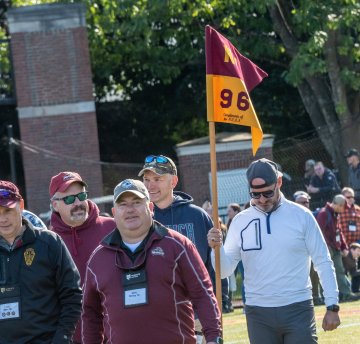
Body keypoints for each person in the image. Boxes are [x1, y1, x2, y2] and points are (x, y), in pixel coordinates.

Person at [208, 158, 340, 344]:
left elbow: (323, 261)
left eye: (268, 193)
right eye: (255, 194)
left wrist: (332, 305)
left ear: (279, 182)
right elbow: (225, 271)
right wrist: (217, 248)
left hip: (298, 308)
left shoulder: (302, 216)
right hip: (257, 313)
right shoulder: (240, 221)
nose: (262, 199)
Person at [81, 179, 222, 344]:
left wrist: (214, 338)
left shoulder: (177, 245)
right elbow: (90, 313)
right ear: (114, 212)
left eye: (136, 202)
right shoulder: (99, 258)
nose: (130, 209)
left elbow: (202, 294)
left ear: (150, 207)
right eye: (123, 204)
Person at [0, 180, 82, 343]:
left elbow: (72, 295)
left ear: (21, 205)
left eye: (8, 210)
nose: (2, 219)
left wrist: (62, 338)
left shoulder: (49, 242)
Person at [49, 171, 115, 343]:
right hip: (72, 337)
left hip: (116, 335)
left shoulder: (114, 229)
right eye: (69, 199)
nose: (78, 203)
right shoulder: (47, 242)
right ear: (55, 205)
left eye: (81, 196)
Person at [316, 194, 358, 301]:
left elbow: (339, 232)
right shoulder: (323, 214)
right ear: (339, 205)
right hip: (328, 248)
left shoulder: (335, 214)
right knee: (326, 273)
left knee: (340, 271)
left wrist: (343, 246)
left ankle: (345, 294)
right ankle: (326, 297)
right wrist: (327, 247)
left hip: (336, 248)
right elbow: (319, 233)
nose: (344, 209)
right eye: (344, 207)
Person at [293, 190, 323, 305]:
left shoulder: (312, 215)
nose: (305, 204)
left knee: (315, 274)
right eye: (301, 202)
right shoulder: (291, 217)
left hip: (311, 250)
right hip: (297, 252)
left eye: (306, 202)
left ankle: (316, 296)